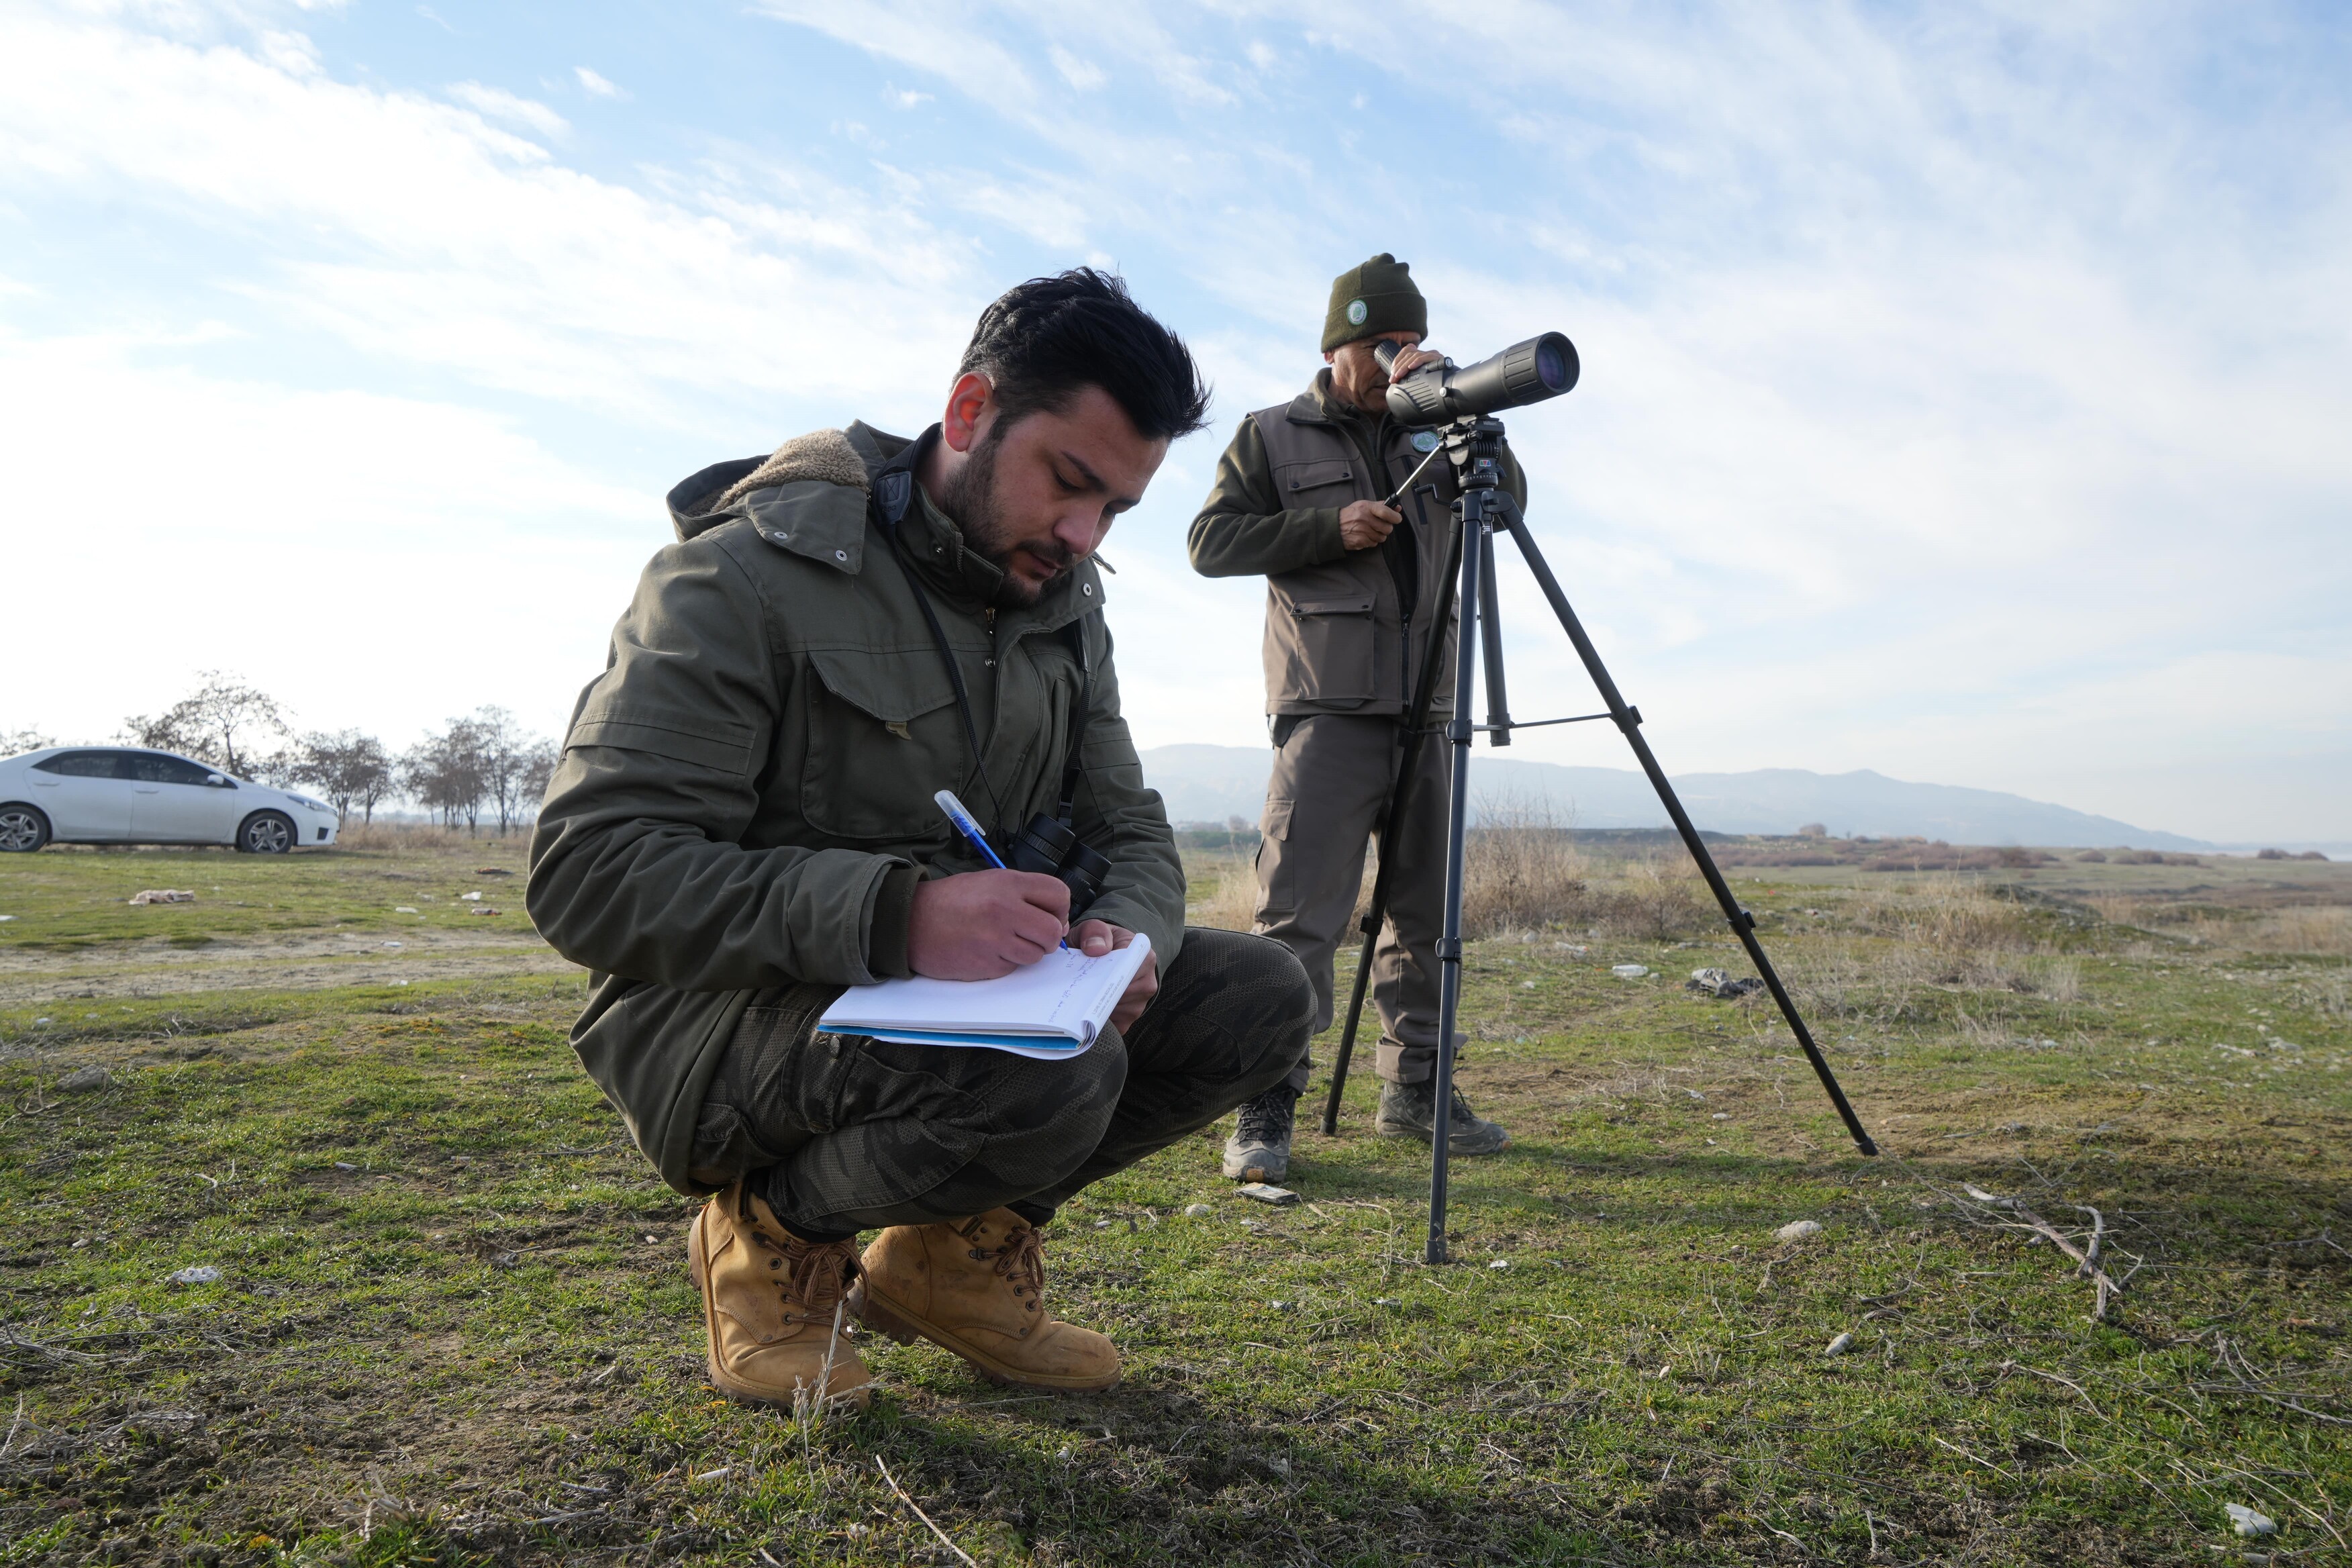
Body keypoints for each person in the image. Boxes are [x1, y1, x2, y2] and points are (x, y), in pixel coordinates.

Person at [527, 270, 1315, 1411]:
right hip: (712, 1020)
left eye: (1117, 511)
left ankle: (946, 1261)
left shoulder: (1062, 604)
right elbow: (588, 875)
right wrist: (899, 916)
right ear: (967, 414)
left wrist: (1129, 942)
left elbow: (1131, 823)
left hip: (957, 1012)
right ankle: (768, 1235)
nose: (1085, 534)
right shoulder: (740, 575)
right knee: (1049, 1065)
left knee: (1261, 995)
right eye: (1070, 483)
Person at [1187, 253, 1526, 1183]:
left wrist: (1458, 408)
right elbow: (1208, 543)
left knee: (1426, 912)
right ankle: (1267, 1102)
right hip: (1325, 709)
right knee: (1298, 917)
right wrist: (1324, 531)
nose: (1392, 361)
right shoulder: (1270, 434)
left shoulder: (1438, 421)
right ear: (1334, 347)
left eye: (1407, 343)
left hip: (1432, 705)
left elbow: (1510, 508)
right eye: (1378, 345)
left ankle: (1415, 1091)